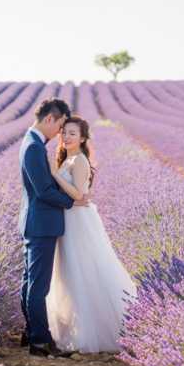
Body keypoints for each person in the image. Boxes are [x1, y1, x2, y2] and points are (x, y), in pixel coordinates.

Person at [46, 115, 138, 353]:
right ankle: (74, 327)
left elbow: (78, 195)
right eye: (64, 132)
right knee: (70, 271)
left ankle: (94, 331)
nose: (66, 137)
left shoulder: (79, 161)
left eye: (72, 133)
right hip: (69, 218)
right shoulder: (68, 159)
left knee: (83, 269)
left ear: (83, 138)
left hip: (78, 222)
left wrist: (55, 176)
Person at [18, 98, 91, 358]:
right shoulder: (34, 148)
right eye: (60, 125)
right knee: (39, 287)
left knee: (30, 283)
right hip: (42, 223)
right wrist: (73, 201)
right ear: (50, 119)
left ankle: (31, 333)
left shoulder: (32, 143)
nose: (60, 132)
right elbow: (44, 191)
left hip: (36, 221)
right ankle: (39, 341)